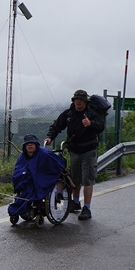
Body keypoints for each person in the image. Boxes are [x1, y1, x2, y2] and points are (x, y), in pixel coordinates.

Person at [44, 89, 104, 220]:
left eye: (81, 100)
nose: (78, 101)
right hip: (74, 150)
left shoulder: (91, 113)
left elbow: (100, 127)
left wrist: (90, 124)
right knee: (75, 179)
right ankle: (76, 203)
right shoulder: (69, 114)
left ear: (85, 102)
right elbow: (57, 126)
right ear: (73, 101)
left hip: (89, 150)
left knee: (87, 179)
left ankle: (87, 208)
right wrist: (50, 137)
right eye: (76, 99)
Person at [9, 134, 66, 218]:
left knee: (34, 190)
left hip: (42, 178)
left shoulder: (44, 154)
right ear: (25, 146)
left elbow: (57, 164)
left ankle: (29, 208)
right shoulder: (22, 157)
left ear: (36, 145)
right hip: (27, 181)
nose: (30, 145)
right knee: (23, 191)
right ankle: (20, 209)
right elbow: (18, 170)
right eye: (28, 143)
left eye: (32, 143)